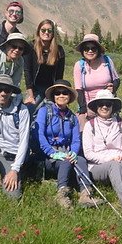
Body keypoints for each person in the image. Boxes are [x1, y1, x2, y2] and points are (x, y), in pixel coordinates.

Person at [33, 79, 93, 209]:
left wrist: (74, 152)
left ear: (70, 96)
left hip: (65, 152)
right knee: (66, 160)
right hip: (46, 156)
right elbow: (39, 135)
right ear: (53, 96)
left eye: (65, 93)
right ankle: (62, 194)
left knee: (81, 160)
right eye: (57, 93)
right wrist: (52, 153)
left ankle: (85, 194)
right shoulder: (44, 111)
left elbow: (76, 140)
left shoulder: (72, 117)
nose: (61, 95)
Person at [73, 33, 120, 130]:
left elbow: (116, 79)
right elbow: (79, 89)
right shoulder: (79, 65)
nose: (90, 51)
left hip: (107, 105)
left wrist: (113, 87)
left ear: (98, 49)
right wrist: (83, 109)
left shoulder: (107, 61)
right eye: (86, 48)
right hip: (88, 107)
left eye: (93, 48)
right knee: (86, 137)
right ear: (82, 50)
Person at [24, 19, 66, 106]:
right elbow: (27, 71)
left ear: (53, 33)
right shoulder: (31, 47)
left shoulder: (59, 50)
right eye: (43, 30)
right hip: (35, 89)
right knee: (30, 110)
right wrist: (31, 95)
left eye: (49, 30)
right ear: (38, 31)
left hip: (51, 89)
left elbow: (59, 75)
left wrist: (57, 94)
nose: (46, 32)